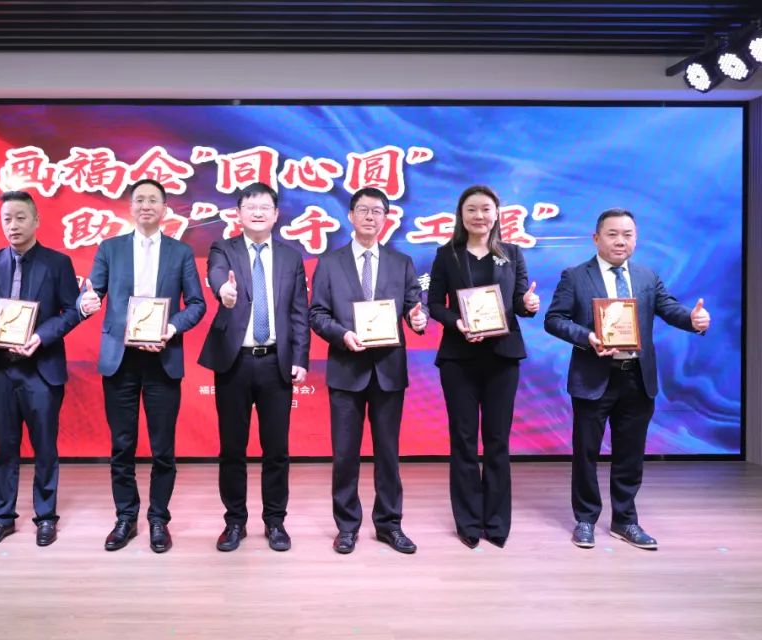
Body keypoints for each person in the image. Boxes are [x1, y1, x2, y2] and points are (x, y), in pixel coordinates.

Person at [544, 208, 710, 550]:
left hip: (637, 378)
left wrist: (693, 320)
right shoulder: (575, 276)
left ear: (636, 238)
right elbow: (554, 319)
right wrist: (587, 337)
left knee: (630, 454)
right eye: (613, 234)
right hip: (593, 377)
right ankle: (585, 519)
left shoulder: (647, 276)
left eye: (628, 234)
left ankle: (625, 520)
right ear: (596, 238)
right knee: (586, 452)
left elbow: (670, 309)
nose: (621, 241)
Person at [78, 178, 206, 553]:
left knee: (163, 448)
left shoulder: (180, 252)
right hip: (120, 360)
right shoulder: (111, 248)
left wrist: (170, 328)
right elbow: (93, 291)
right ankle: (125, 517)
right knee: (122, 445)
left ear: (165, 208)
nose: (146, 205)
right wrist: (86, 301)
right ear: (130, 207)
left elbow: (196, 304)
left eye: (153, 200)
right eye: (139, 200)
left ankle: (158, 519)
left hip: (162, 359)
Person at [0, 190, 82, 548]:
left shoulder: (58, 263)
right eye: (7, 218)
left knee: (44, 446)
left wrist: (41, 336)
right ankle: (2, 517)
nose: (13, 225)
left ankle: (46, 517)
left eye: (21, 217)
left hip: (40, 368)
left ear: (36, 220)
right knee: (5, 446)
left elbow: (73, 311)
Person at [308, 187, 427, 555]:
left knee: (388, 453)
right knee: (345, 455)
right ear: (351, 215)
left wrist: (418, 319)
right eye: (363, 210)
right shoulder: (330, 262)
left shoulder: (401, 262)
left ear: (386, 218)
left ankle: (390, 524)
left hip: (388, 370)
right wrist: (342, 335)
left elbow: (414, 306)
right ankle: (347, 526)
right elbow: (317, 314)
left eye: (377, 211)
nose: (370, 217)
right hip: (346, 368)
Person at [197, 183, 310, 552]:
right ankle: (234, 522)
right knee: (232, 448)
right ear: (239, 214)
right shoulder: (224, 249)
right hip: (235, 362)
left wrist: (300, 358)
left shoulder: (291, 257)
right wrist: (224, 292)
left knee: (276, 449)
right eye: (250, 206)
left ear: (276, 214)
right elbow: (217, 274)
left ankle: (275, 522)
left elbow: (299, 311)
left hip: (276, 363)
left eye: (265, 207)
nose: (258, 212)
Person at [426, 185, 540, 550]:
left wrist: (529, 304)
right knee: (462, 440)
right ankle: (468, 522)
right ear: (461, 215)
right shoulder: (447, 254)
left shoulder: (512, 253)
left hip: (502, 358)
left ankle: (497, 521)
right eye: (472, 209)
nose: (479, 216)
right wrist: (456, 322)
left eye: (486, 209)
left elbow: (519, 303)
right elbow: (434, 303)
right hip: (459, 358)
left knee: (497, 441)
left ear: (496, 214)